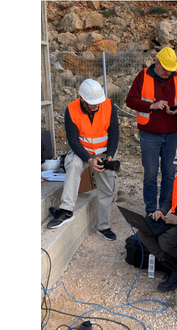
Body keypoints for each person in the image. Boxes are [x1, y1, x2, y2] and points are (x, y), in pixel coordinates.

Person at [124, 140, 177, 292]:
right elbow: (169, 199)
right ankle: (176, 267)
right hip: (174, 219)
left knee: (165, 240)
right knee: (143, 232)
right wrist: (162, 211)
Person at [46, 79, 119, 241]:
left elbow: (114, 134)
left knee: (107, 187)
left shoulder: (108, 105)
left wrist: (110, 155)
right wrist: (89, 159)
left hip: (104, 152)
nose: (95, 106)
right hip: (82, 152)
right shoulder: (71, 110)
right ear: (81, 98)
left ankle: (103, 227)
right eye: (91, 103)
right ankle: (66, 209)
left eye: (97, 102)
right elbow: (73, 140)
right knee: (72, 164)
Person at [125, 47, 177, 216]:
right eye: (165, 69)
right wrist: (151, 106)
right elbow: (130, 100)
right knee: (151, 174)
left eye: (171, 70)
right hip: (149, 134)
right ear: (156, 62)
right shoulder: (143, 76)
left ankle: (165, 209)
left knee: (169, 174)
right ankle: (151, 209)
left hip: (172, 133)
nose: (168, 73)